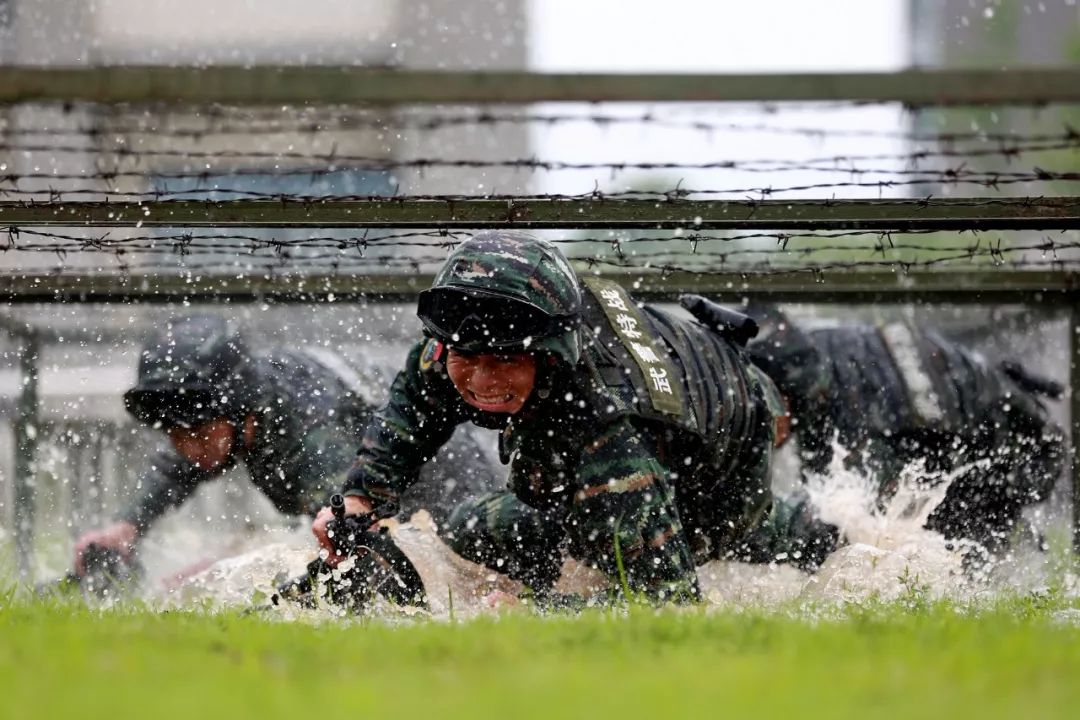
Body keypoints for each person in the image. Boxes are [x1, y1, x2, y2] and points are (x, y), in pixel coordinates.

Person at [313, 230, 831, 605]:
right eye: (466, 358)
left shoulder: (607, 430)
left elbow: (670, 605)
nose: (483, 381)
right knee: (472, 529)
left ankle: (829, 539)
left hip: (723, 461)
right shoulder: (456, 345)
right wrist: (360, 500)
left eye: (506, 361)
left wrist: (539, 612)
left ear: (550, 354)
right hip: (654, 421)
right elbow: (413, 404)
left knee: (642, 551)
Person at [71, 314, 498, 577]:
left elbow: (343, 537)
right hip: (396, 492)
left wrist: (223, 572)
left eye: (195, 431)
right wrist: (126, 526)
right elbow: (175, 466)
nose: (185, 446)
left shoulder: (313, 437)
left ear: (238, 412)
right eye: (173, 432)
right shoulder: (240, 405)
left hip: (448, 492)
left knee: (449, 581)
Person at [745, 304, 1065, 554]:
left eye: (760, 417)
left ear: (781, 395)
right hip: (996, 425)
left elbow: (845, 518)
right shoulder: (814, 360)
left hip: (1025, 446)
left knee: (933, 543)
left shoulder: (846, 404)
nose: (761, 437)